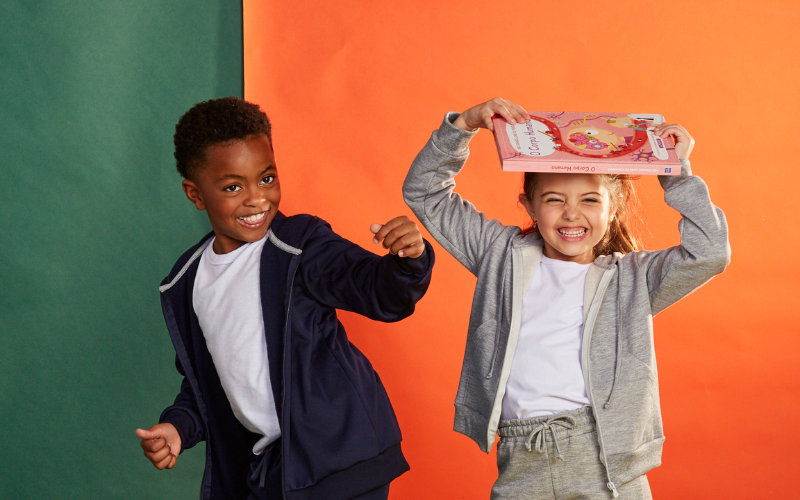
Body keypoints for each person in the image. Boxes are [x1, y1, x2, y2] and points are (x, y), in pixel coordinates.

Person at [403, 98, 730, 499]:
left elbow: (710, 252)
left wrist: (676, 174)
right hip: (522, 457)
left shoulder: (631, 279)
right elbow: (425, 193)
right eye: (555, 199)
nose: (572, 214)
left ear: (614, 209)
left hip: (606, 460)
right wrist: (464, 125)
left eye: (590, 200)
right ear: (530, 207)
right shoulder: (500, 256)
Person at [135, 97, 434, 500]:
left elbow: (377, 291)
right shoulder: (187, 283)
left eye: (267, 178)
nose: (257, 198)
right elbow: (205, 382)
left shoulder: (299, 245)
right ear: (196, 193)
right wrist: (177, 426)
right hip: (274, 470)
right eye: (233, 186)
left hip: (341, 458)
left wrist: (407, 260)